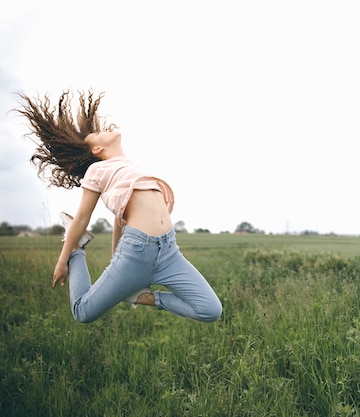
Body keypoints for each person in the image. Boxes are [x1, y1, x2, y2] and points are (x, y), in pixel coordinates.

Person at [15, 90, 222, 324]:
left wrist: (116, 258)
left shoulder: (130, 166)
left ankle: (143, 297)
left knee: (211, 310)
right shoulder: (97, 170)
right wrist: (63, 259)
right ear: (96, 151)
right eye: (96, 134)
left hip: (168, 251)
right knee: (82, 312)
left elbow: (119, 218)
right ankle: (77, 252)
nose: (104, 129)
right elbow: (82, 218)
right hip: (136, 253)